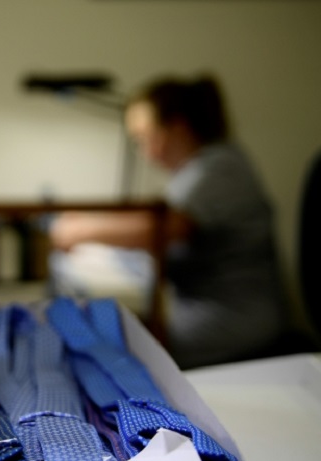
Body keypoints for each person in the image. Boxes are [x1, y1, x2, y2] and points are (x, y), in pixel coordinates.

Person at [49, 74, 287, 369]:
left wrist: (81, 230)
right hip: (202, 311)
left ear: (177, 127)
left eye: (145, 137)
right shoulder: (195, 173)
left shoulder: (220, 167)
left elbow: (164, 227)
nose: (144, 152)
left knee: (107, 349)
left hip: (231, 323)